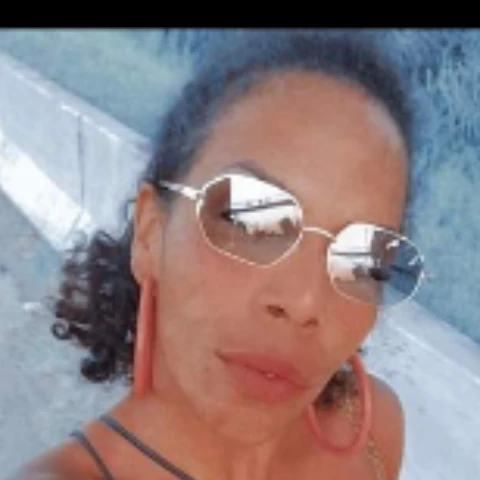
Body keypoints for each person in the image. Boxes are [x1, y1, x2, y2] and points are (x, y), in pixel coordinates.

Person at [10, 30, 425, 480]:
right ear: (150, 234)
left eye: (365, 259)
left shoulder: (370, 427)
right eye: (249, 220)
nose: (305, 300)